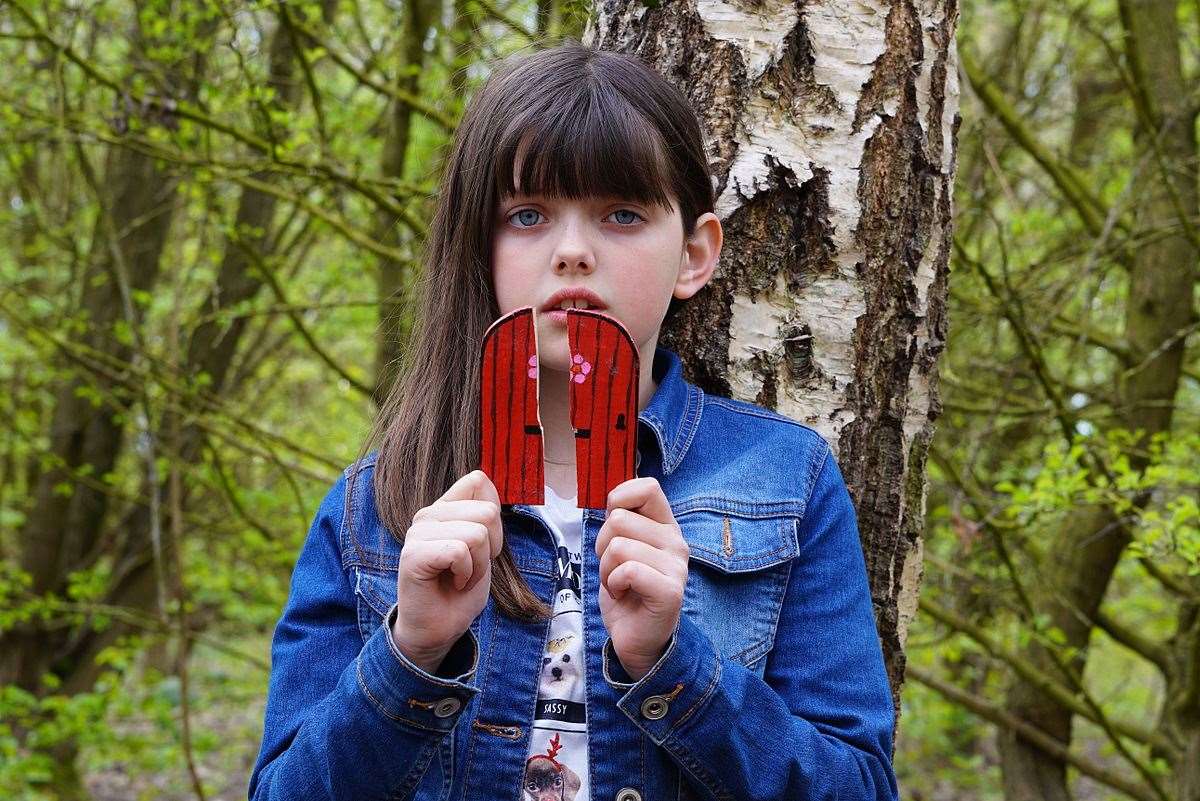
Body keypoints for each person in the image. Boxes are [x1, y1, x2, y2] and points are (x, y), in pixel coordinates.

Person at [248, 39, 900, 801]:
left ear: (693, 254)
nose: (571, 252)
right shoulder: (376, 505)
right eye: (528, 215)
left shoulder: (787, 481)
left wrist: (673, 663)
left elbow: (857, 786)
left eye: (621, 214)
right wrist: (412, 653)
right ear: (480, 247)